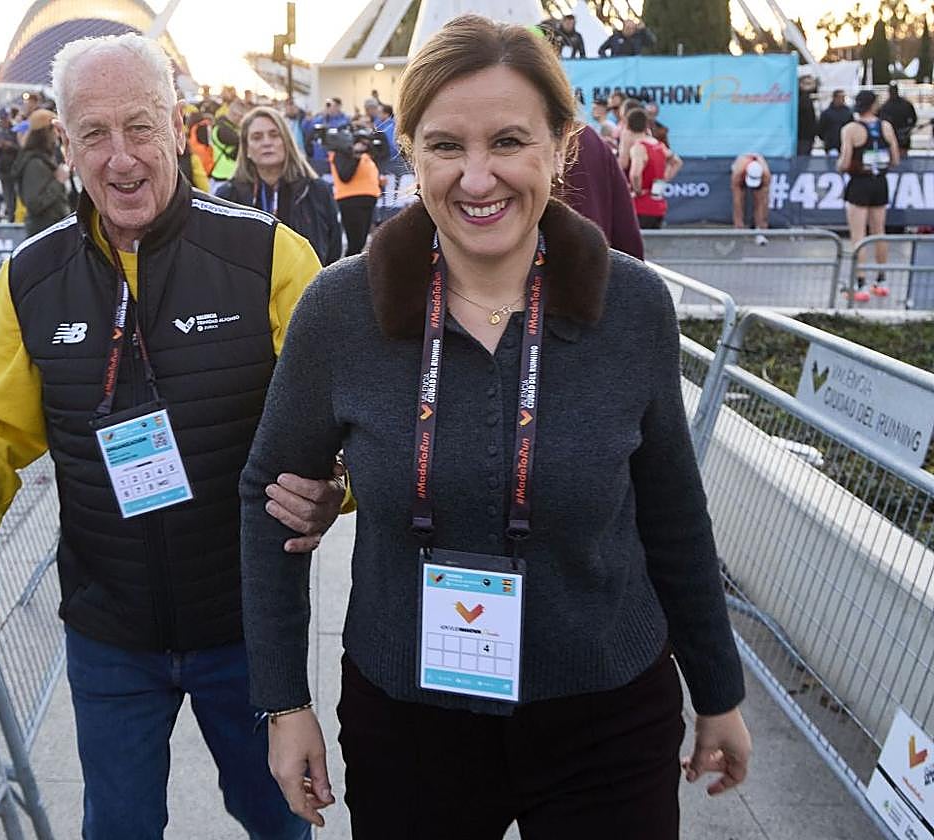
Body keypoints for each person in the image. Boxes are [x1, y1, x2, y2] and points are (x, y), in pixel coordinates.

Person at [240, 15, 749, 836]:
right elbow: (269, 500)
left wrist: (718, 691)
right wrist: (283, 702)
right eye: (446, 146)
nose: (478, 179)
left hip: (607, 715)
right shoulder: (339, 311)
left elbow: (674, 514)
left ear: (560, 146)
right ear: (410, 151)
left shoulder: (633, 307)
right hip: (411, 722)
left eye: (508, 141)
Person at [0, 32, 346, 840]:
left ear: (179, 124)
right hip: (108, 631)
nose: (120, 158)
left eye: (140, 126)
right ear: (64, 143)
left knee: (279, 821)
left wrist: (340, 485)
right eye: (93, 133)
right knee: (117, 826)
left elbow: (349, 412)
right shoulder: (30, 278)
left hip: (246, 627)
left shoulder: (269, 256)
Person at [216, 106, 342, 266]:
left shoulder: (316, 190)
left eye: (274, 135)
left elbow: (333, 250)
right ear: (246, 148)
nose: (267, 142)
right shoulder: (229, 197)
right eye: (257, 137)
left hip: (306, 287)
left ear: (287, 142)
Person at [838, 90, 900, 301]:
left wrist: (840, 167)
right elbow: (895, 160)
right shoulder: (886, 127)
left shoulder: (850, 129)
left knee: (858, 235)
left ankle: (860, 283)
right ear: (873, 105)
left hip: (859, 184)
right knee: (879, 231)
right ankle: (881, 280)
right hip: (880, 182)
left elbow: (845, 162)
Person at [566, 124, 643, 258]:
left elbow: (625, 233)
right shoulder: (590, 139)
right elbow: (627, 236)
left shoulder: (587, 139)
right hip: (593, 264)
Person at [625, 108, 681, 230]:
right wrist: (664, 179)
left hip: (641, 206)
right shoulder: (658, 145)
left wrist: (638, 191)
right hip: (658, 206)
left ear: (627, 127)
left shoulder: (638, 148)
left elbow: (635, 174)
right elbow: (677, 162)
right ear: (646, 125)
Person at [329, 132, 381, 256]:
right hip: (351, 201)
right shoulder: (342, 154)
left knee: (360, 242)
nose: (365, 145)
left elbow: (381, 152)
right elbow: (345, 176)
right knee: (355, 244)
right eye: (362, 141)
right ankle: (348, 272)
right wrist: (356, 156)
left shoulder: (366, 157)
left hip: (367, 201)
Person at [13, 125, 70, 237]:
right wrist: (58, 182)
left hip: (55, 227)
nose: (57, 135)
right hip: (45, 230)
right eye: (54, 130)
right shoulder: (35, 163)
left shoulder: (48, 157)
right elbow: (34, 204)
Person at [730, 153, 770, 245]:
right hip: (741, 173)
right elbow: (737, 202)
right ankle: (739, 230)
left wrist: (762, 224)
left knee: (761, 203)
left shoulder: (766, 175)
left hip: (759, 173)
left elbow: (763, 202)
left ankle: (760, 232)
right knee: (738, 202)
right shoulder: (738, 172)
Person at [879, 83, 917, 158]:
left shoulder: (885, 106)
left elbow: (881, 121)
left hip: (892, 134)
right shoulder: (906, 104)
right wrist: (909, 129)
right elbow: (914, 118)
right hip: (904, 133)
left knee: (893, 157)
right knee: (903, 158)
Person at [817, 89, 852, 156]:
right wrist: (825, 139)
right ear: (834, 98)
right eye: (840, 97)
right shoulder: (826, 113)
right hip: (831, 144)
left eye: (843, 97)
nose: (842, 99)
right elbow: (821, 128)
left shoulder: (848, 112)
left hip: (845, 144)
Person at [796, 75, 818, 156]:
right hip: (803, 137)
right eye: (808, 83)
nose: (812, 86)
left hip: (806, 137)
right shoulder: (803, 98)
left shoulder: (807, 97)